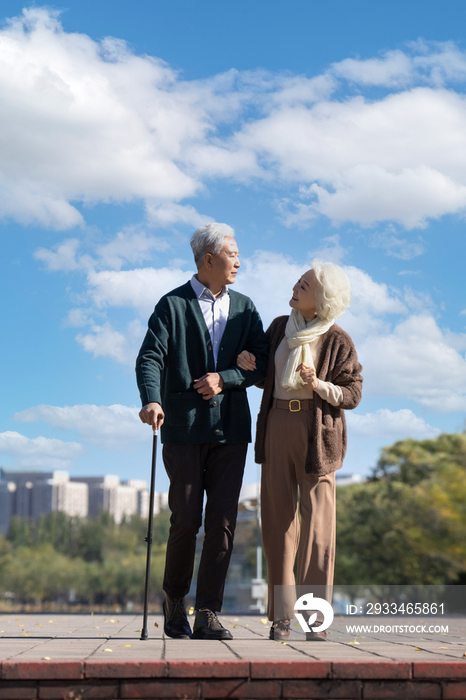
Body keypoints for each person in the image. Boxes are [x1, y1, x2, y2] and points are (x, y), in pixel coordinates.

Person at [136, 222, 268, 640]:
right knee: (185, 519)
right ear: (208, 260)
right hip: (183, 427)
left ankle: (208, 611)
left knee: (223, 522)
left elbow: (261, 365)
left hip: (231, 430)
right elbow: (150, 356)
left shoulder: (246, 308)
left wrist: (226, 377)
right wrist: (152, 399)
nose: (239, 262)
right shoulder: (171, 305)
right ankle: (175, 600)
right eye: (233, 254)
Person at [238, 260, 362, 641]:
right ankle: (282, 619)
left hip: (318, 434)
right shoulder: (279, 327)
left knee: (318, 531)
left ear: (321, 299)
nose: (296, 286)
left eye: (305, 285)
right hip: (276, 424)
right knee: (277, 525)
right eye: (298, 281)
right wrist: (248, 366)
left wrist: (320, 384)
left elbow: (352, 394)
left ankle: (315, 620)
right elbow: (266, 376)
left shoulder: (338, 339)